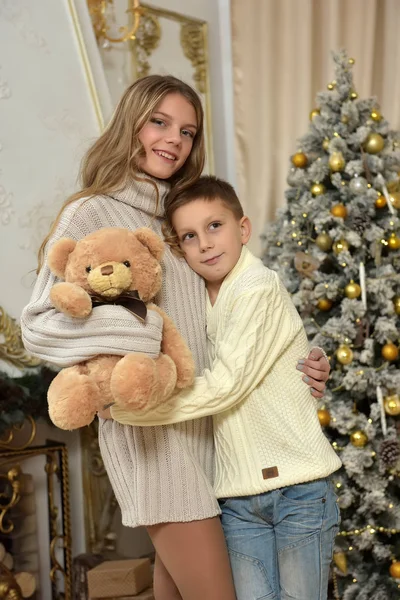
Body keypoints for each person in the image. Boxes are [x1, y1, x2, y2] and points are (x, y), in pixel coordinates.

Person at [21, 76, 331, 600]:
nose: (174, 140)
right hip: (153, 438)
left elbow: (224, 311)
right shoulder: (90, 211)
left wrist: (295, 360)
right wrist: (141, 334)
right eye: (159, 123)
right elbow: (38, 325)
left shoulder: (180, 215)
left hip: (216, 438)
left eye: (187, 131)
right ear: (131, 124)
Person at [113, 175, 341, 600]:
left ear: (243, 229)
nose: (205, 243)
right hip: (237, 498)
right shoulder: (201, 297)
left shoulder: (258, 287)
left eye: (214, 226)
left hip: (299, 490)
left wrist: (133, 410)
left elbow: (227, 386)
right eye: (190, 235)